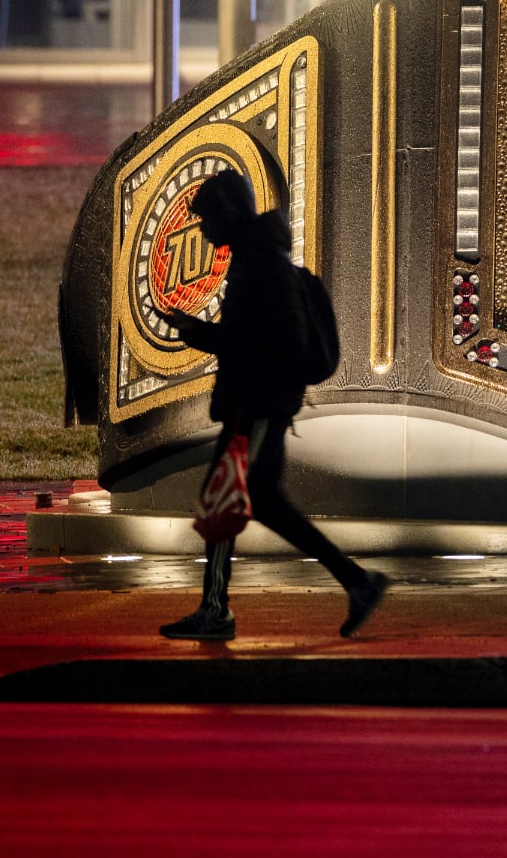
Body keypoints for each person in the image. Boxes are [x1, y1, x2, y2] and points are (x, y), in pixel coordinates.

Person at [156, 168, 388, 641]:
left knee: (229, 501)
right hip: (257, 403)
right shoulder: (255, 258)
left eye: (206, 220)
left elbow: (276, 342)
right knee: (250, 501)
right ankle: (356, 582)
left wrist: (202, 335)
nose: (202, 231)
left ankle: (217, 610)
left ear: (228, 213)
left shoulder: (262, 265)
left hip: (259, 406)